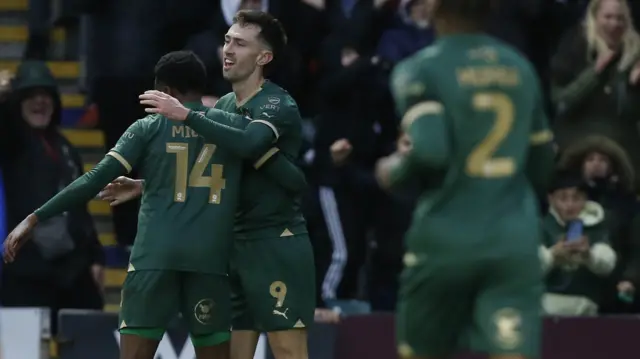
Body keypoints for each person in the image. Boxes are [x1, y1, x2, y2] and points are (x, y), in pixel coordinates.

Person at [2, 51, 306, 359]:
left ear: (167, 93)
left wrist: (35, 218)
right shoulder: (233, 128)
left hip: (153, 263)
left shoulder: (147, 127)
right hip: (209, 265)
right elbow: (291, 180)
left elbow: (93, 180)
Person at [109, 10, 315, 359]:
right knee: (234, 352)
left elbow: (251, 145)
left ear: (264, 57)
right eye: (227, 40)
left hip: (273, 243)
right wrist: (145, 185)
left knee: (287, 351)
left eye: (240, 43)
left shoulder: (276, 102)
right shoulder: (223, 105)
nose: (228, 50)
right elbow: (209, 171)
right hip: (228, 245)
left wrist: (188, 114)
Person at [375, 1, 555, 359]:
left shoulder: (420, 69)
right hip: (511, 239)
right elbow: (542, 161)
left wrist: (392, 170)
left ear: (434, 8)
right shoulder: (519, 67)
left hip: (444, 238)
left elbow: (429, 151)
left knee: (423, 350)